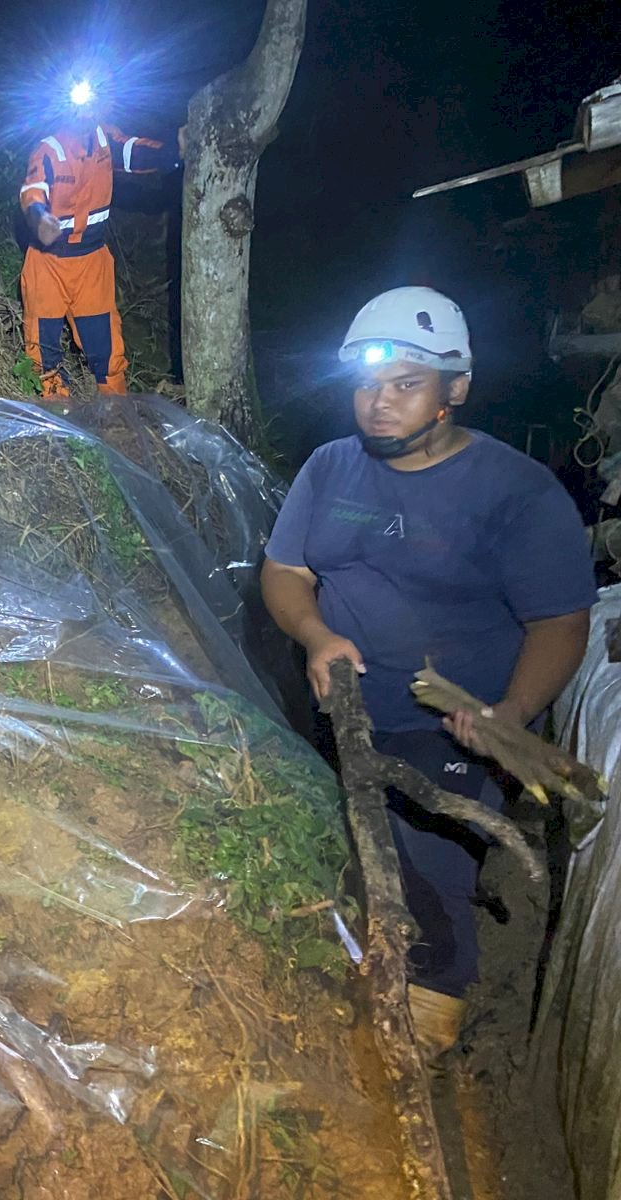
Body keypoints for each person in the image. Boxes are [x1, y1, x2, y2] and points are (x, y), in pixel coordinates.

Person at [261, 286, 596, 1056]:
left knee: (422, 872)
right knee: (344, 851)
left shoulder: (515, 492)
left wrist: (511, 712)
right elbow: (285, 573)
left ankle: (419, 1049)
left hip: (460, 724)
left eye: (404, 384)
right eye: (366, 385)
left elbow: (561, 622)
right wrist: (314, 635)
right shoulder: (329, 468)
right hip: (346, 708)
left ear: (456, 388)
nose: (377, 404)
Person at [17, 80, 184, 404]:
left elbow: (134, 152)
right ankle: (55, 423)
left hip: (92, 264)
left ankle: (118, 417)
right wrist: (40, 219)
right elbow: (32, 190)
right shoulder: (50, 149)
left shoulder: (106, 140)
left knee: (106, 350)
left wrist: (174, 150)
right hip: (48, 263)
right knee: (42, 352)